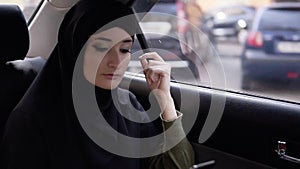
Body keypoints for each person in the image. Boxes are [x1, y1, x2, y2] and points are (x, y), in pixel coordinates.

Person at [0, 0, 195, 169]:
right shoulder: (31, 121)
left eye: (125, 49)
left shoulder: (128, 105)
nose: (116, 61)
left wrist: (164, 99)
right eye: (102, 47)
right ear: (75, 47)